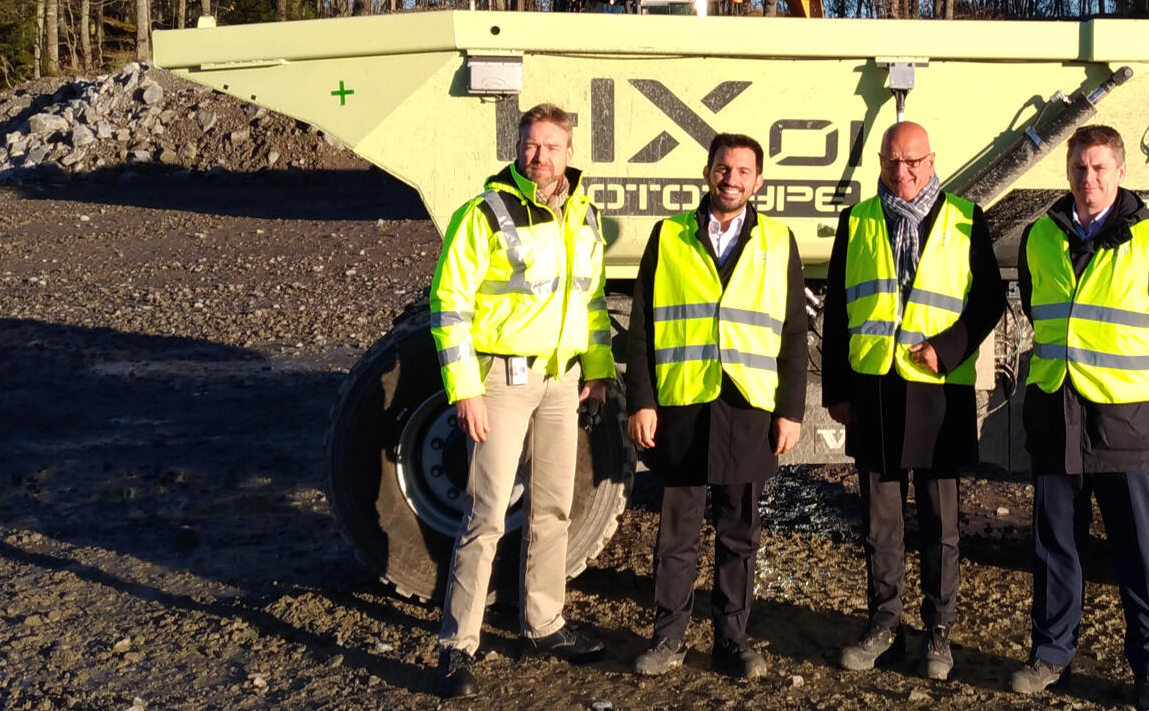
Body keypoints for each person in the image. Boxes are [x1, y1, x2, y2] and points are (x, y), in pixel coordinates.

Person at [426, 103, 614, 698]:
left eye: (552, 147)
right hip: (502, 384)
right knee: (485, 516)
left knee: (554, 508)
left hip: (561, 381)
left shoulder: (585, 216)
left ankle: (544, 622)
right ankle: (457, 646)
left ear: (569, 152)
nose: (540, 157)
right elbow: (449, 305)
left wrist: (598, 370)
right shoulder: (484, 214)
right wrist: (466, 390)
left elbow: (592, 302)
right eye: (532, 145)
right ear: (517, 148)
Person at [1008, 124, 1149, 711]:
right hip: (1055, 415)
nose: (1088, 179)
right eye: (1079, 168)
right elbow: (1039, 310)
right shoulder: (1040, 236)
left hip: (1124, 423)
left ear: (1120, 171)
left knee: (1137, 551)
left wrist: (1138, 383)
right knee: (1055, 548)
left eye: (1099, 168)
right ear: (1067, 172)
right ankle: (1050, 655)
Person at [822, 121, 1007, 680]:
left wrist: (947, 350)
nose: (901, 172)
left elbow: (989, 300)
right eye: (891, 161)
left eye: (912, 162)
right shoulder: (857, 221)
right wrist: (837, 390)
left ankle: (938, 631)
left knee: (940, 522)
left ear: (932, 161)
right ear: (880, 162)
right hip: (875, 389)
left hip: (937, 392)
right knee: (880, 523)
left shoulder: (966, 219)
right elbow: (839, 310)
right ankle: (884, 624)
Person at [626, 132, 809, 680]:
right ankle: (668, 638)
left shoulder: (778, 240)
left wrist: (791, 410)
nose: (732, 179)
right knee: (676, 535)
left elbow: (793, 331)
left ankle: (732, 640)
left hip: (748, 405)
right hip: (684, 403)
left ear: (759, 181)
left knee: (739, 534)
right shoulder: (670, 235)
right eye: (723, 169)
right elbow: (642, 325)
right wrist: (642, 401)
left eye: (743, 171)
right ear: (708, 173)